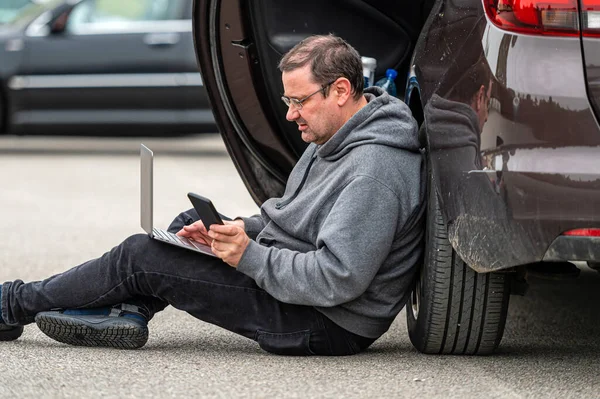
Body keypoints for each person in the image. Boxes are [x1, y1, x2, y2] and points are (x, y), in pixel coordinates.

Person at [0, 34, 425, 355]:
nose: (290, 114)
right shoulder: (337, 135)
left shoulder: (374, 172)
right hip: (298, 286)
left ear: (341, 90)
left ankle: (10, 304)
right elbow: (296, 218)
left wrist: (248, 255)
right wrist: (240, 229)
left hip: (324, 322)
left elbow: (338, 280)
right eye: (286, 99)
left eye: (299, 100)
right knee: (190, 225)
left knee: (140, 256)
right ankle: (128, 311)